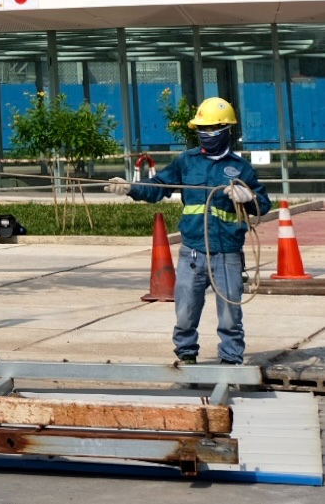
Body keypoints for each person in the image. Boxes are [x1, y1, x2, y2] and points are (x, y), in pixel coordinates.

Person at [105, 97, 271, 364]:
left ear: (227, 129)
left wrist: (248, 197)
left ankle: (230, 361)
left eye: (212, 129)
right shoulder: (186, 162)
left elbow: (262, 205)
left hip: (226, 253)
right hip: (192, 254)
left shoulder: (241, 169)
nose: (206, 135)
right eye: (201, 129)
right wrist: (131, 188)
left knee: (230, 316)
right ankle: (186, 356)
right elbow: (158, 186)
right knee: (185, 313)